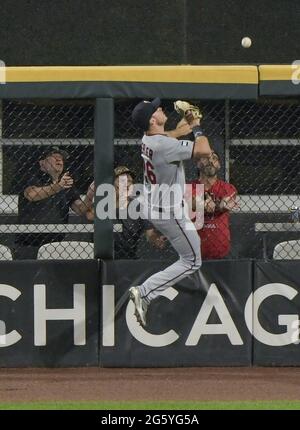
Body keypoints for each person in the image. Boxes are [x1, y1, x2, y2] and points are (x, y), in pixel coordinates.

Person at [129, 98, 212, 326]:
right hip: (169, 212)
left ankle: (146, 291)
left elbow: (169, 137)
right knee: (192, 260)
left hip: (152, 205)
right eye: (157, 109)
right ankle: (145, 291)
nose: (161, 108)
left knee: (188, 252)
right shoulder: (164, 146)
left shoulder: (148, 138)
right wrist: (196, 126)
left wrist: (184, 125)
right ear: (153, 119)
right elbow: (204, 150)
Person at [15, 146, 94, 259]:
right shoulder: (32, 177)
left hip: (56, 245)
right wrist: (58, 186)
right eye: (54, 157)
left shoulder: (66, 184)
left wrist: (90, 195)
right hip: (28, 244)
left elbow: (80, 209)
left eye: (61, 158)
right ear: (42, 163)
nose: (59, 160)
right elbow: (31, 195)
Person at [86, 166, 166, 258]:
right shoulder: (103, 203)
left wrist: (156, 240)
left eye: (130, 181)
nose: (127, 184)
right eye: (123, 181)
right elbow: (90, 216)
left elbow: (150, 233)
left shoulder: (139, 207)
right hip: (100, 256)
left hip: (127, 258)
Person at [190, 151, 238, 259]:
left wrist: (217, 205)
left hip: (221, 254)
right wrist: (207, 205)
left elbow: (226, 201)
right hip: (193, 254)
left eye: (214, 158)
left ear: (219, 165)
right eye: (206, 158)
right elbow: (191, 202)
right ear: (198, 164)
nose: (211, 161)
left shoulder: (228, 188)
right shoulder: (189, 186)